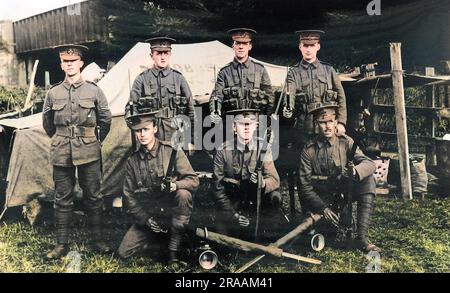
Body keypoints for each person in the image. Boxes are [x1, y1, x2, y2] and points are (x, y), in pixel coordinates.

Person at [42, 44, 112, 259]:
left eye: (73, 61)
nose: (70, 65)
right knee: (62, 198)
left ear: (81, 63)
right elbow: (47, 123)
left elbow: (105, 120)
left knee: (93, 196)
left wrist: (92, 140)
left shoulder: (94, 90)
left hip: (89, 150)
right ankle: (61, 245)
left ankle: (97, 240)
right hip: (62, 150)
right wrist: (62, 137)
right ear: (61, 65)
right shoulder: (53, 92)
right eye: (66, 61)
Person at [117, 111, 199, 264]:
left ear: (155, 129)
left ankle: (173, 251)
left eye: (146, 129)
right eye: (138, 131)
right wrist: (146, 220)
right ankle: (157, 240)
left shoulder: (170, 151)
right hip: (151, 215)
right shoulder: (132, 161)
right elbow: (129, 197)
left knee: (183, 194)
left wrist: (175, 185)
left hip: (174, 213)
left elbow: (193, 180)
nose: (142, 134)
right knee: (123, 253)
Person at [298, 103, 380, 252]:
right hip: (320, 199)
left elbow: (370, 164)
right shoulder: (308, 150)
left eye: (330, 121)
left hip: (343, 193)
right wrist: (323, 209)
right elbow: (305, 187)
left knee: (368, 181)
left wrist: (354, 171)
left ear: (336, 122)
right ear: (317, 124)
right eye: (322, 122)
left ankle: (361, 239)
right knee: (321, 236)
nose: (327, 126)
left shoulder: (345, 142)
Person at [212, 108, 282, 240]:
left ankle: (266, 232)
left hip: (256, 200)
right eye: (241, 124)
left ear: (255, 127)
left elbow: (275, 180)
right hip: (232, 202)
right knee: (223, 244)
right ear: (234, 127)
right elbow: (217, 188)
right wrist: (234, 215)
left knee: (275, 196)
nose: (245, 129)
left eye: (249, 125)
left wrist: (262, 183)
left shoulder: (263, 148)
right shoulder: (223, 151)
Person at [125, 37, 195, 152]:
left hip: (176, 134)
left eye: (166, 53)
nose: (163, 57)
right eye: (158, 53)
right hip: (152, 137)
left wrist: (191, 139)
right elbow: (130, 110)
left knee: (176, 167)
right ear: (151, 55)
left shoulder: (178, 78)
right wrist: (141, 131)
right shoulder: (142, 79)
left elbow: (191, 109)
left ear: (170, 54)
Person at [209, 28, 274, 124]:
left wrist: (268, 119)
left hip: (255, 122)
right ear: (233, 46)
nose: (241, 47)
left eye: (244, 43)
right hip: (231, 123)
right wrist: (215, 110)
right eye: (238, 43)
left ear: (250, 46)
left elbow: (269, 96)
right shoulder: (224, 72)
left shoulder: (260, 69)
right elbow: (217, 95)